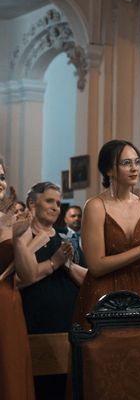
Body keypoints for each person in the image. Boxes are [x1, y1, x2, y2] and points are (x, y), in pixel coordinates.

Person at [73, 140, 140, 331]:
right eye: (126, 163)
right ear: (109, 170)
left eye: (137, 162)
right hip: (103, 294)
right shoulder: (95, 206)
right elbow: (96, 266)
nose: (134, 169)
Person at [19, 182, 86, 399]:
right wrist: (54, 263)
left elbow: (89, 280)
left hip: (67, 327)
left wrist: (67, 265)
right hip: (33, 325)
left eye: (58, 203)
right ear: (32, 203)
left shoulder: (66, 239)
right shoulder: (22, 238)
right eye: (49, 201)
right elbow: (18, 280)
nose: (56, 207)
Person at [0, 156, 35, 400]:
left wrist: (17, 238)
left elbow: (28, 274)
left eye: (1, 176)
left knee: (10, 378)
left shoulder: (11, 221)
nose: (0, 183)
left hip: (7, 306)